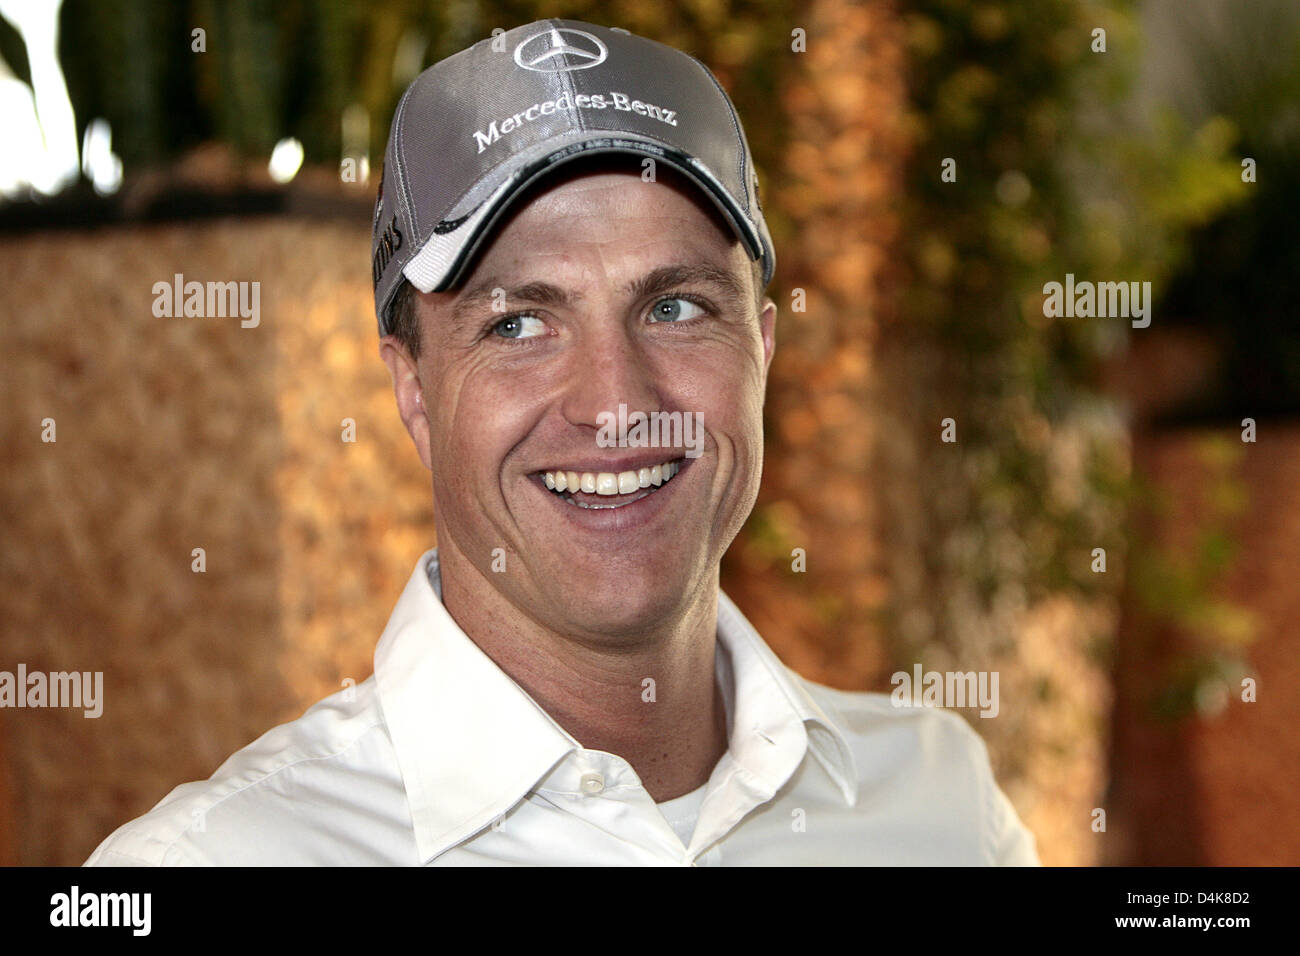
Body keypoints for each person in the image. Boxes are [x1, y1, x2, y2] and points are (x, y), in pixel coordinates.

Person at [85, 18, 1039, 866]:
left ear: (762, 346)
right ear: (413, 387)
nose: (616, 402)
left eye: (674, 307)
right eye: (517, 325)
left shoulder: (943, 808)